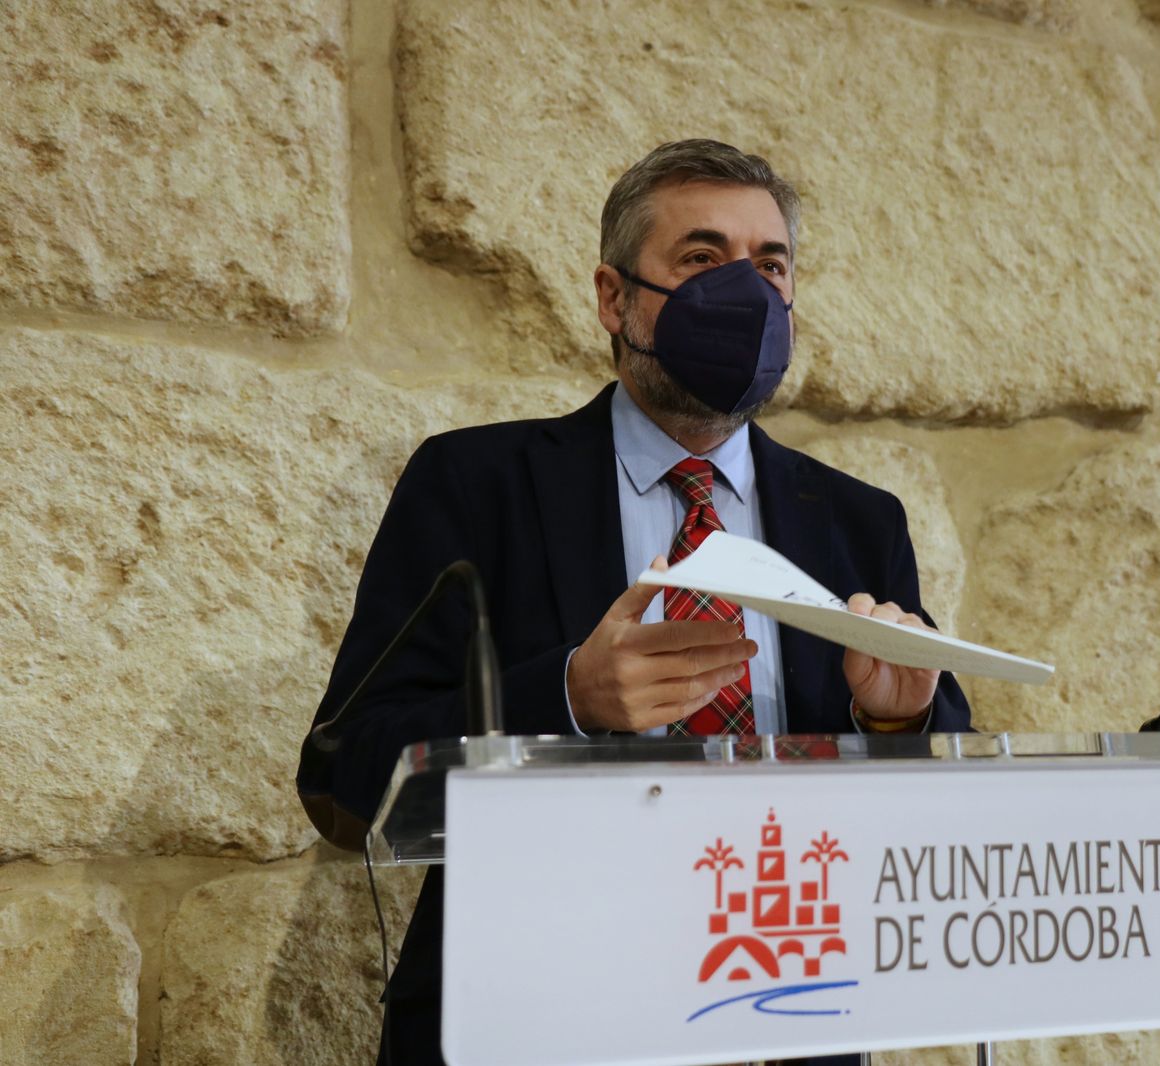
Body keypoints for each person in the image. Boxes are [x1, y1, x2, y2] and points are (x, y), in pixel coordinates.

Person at [297, 139, 972, 1066]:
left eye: (769, 266)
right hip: (534, 1026)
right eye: (701, 259)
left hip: (793, 1025)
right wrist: (566, 698)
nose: (745, 292)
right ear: (615, 299)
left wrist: (892, 725)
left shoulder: (856, 521)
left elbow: (949, 822)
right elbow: (344, 770)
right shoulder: (476, 482)